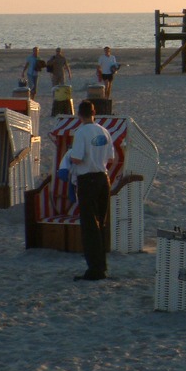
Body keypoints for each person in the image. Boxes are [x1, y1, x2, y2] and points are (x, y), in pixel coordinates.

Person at [69, 100, 115, 281]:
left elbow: (78, 158)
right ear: (94, 113)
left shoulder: (81, 133)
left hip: (87, 179)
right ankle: (101, 265)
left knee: (89, 226)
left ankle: (94, 269)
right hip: (103, 179)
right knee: (100, 224)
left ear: (80, 115)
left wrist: (70, 156)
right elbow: (111, 158)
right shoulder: (104, 131)